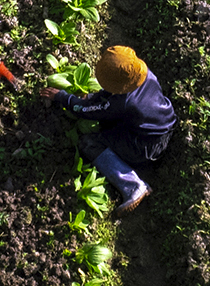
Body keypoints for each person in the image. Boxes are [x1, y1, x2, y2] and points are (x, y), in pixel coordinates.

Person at [39, 44, 173, 215]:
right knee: (110, 124)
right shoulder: (144, 74)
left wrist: (63, 98)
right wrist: (94, 97)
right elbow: (112, 94)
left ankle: (133, 186)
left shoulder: (121, 103)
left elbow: (86, 110)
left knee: (89, 143)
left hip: (145, 147)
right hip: (163, 122)